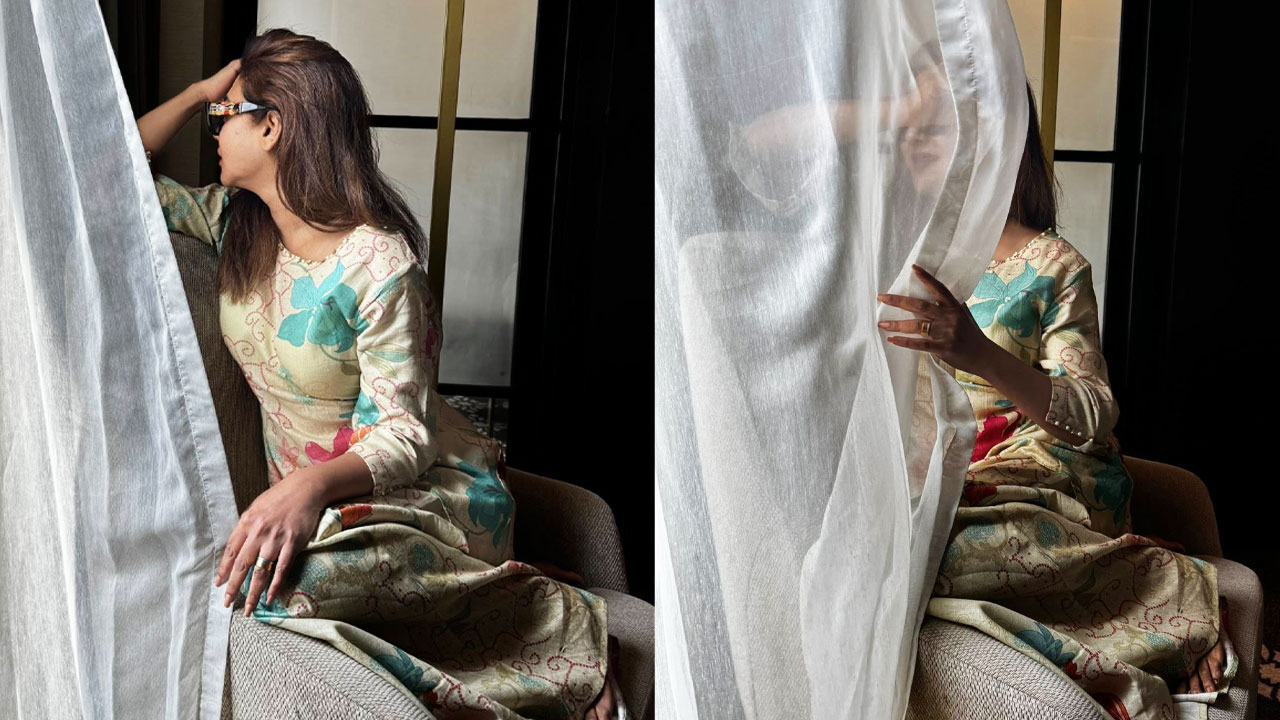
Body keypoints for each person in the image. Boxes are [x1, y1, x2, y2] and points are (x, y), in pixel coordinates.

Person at [137, 28, 621, 720]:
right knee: (249, 595)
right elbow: (111, 170)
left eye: (226, 113)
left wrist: (304, 488)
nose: (215, 128)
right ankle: (484, 601)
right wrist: (197, 93)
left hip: (420, 499)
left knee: (274, 596)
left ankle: (560, 621)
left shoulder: (380, 263)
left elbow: (404, 435)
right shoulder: (234, 225)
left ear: (272, 126)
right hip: (326, 513)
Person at [876, 77, 1235, 717]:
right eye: (906, 128)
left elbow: (1093, 412)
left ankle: (1178, 587)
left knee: (937, 555)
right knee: (877, 547)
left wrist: (978, 352)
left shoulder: (1053, 264)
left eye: (933, 128)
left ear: (989, 138)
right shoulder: (895, 254)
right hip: (948, 475)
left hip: (1050, 467)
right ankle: (1108, 569)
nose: (913, 143)